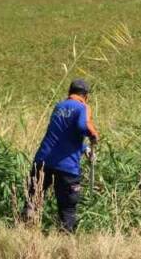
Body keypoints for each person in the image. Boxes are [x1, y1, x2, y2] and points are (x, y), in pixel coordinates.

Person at [24, 79, 100, 232]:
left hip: (42, 161)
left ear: (69, 92)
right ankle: (65, 241)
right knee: (67, 208)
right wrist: (93, 135)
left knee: (32, 200)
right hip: (66, 166)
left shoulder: (59, 107)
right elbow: (82, 126)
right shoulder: (82, 107)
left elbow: (62, 133)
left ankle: (25, 233)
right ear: (86, 96)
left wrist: (84, 148)